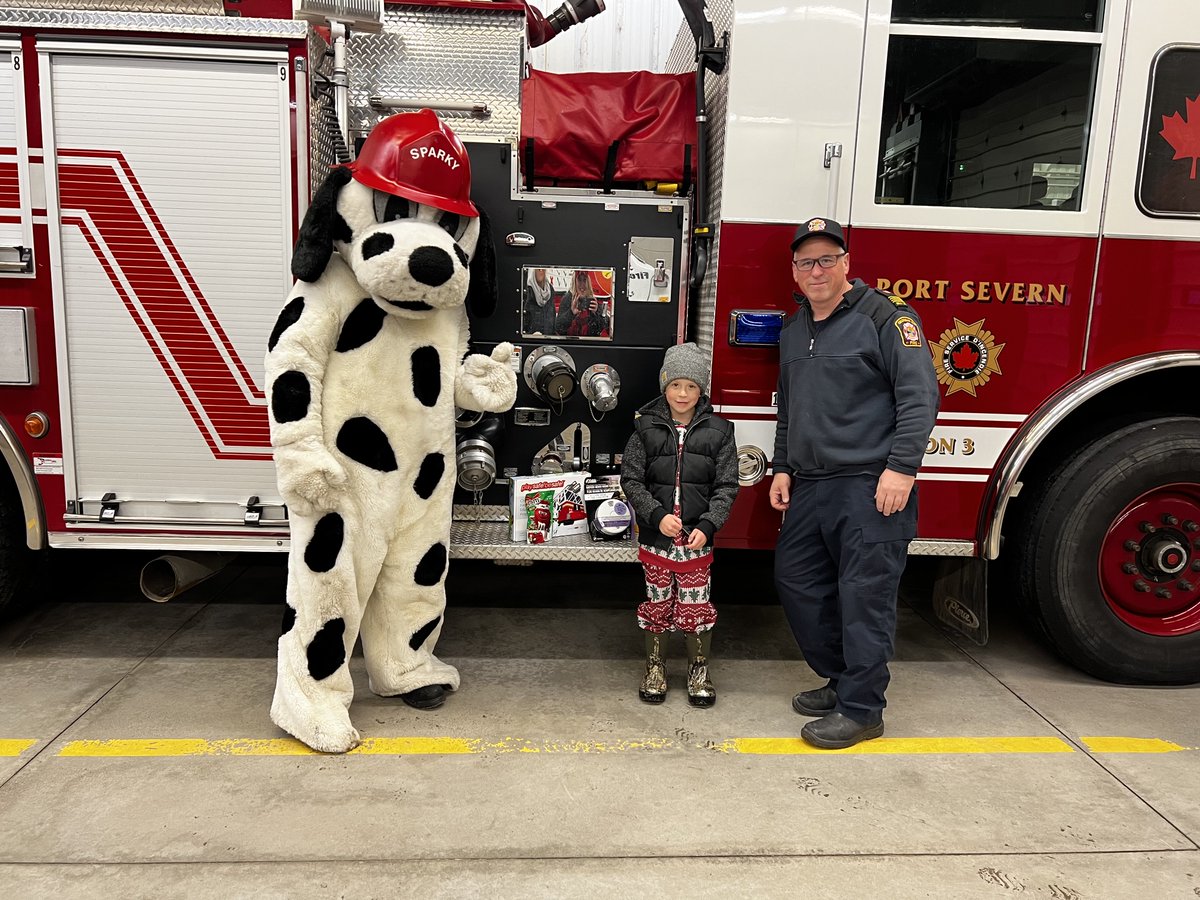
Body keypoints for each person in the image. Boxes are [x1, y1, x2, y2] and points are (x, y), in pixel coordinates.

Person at [770, 217, 939, 749]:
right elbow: (789, 410)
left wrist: (902, 468)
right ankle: (842, 680)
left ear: (846, 263)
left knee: (864, 597)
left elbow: (919, 396)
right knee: (797, 581)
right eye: (805, 262)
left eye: (826, 259)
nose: (816, 270)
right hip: (812, 483)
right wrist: (782, 466)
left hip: (870, 483)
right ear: (794, 271)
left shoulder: (886, 318)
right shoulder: (795, 329)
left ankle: (864, 709)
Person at [620, 342, 739, 707]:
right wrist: (656, 515)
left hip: (696, 543)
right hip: (657, 540)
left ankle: (698, 670)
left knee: (694, 607)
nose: (682, 394)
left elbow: (727, 485)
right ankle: (655, 668)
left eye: (691, 386)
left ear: (702, 389)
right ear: (664, 386)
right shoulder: (645, 428)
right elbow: (631, 480)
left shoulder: (720, 432)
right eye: (675, 385)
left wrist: (709, 523)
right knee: (657, 604)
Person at [555, 270, 610, 337]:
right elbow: (558, 328)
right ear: (575, 282)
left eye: (584, 280)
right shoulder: (568, 298)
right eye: (579, 280)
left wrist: (596, 313)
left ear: (588, 283)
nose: (582, 285)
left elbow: (601, 329)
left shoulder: (592, 300)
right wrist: (571, 313)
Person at [522, 268, 557, 335]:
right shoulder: (528, 291)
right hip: (532, 337)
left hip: (548, 337)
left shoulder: (550, 290)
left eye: (543, 269)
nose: (541, 272)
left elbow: (552, 314)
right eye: (539, 270)